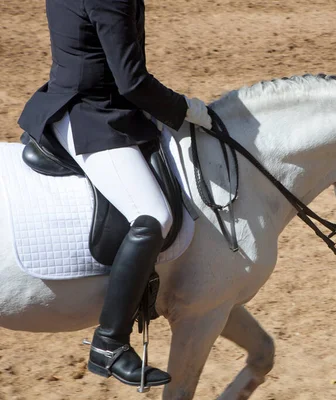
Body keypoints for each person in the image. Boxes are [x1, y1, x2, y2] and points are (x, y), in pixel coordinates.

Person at [18, 0, 211, 387]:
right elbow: (132, 81)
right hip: (94, 116)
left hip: (74, 98)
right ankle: (109, 344)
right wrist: (183, 107)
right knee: (154, 216)